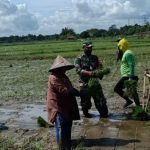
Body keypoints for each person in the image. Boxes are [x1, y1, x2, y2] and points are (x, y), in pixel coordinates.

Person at [47, 55, 80, 150]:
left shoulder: (64, 76)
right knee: (61, 128)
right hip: (57, 106)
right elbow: (64, 90)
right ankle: (61, 147)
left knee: (68, 125)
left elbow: (70, 88)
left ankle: (67, 145)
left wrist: (79, 92)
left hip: (66, 105)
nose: (65, 69)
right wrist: (78, 93)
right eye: (63, 67)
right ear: (58, 68)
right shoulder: (53, 77)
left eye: (65, 67)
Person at [74, 40, 108, 118]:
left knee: (101, 101)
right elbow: (78, 70)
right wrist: (89, 73)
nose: (90, 49)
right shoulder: (79, 58)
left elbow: (100, 67)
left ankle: (104, 115)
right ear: (84, 48)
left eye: (91, 47)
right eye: (88, 48)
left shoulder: (95, 57)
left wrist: (100, 72)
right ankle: (86, 115)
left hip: (95, 83)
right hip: (84, 84)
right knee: (85, 103)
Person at [114, 38, 140, 108]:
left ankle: (133, 103)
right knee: (133, 91)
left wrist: (130, 78)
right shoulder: (126, 52)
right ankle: (136, 105)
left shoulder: (128, 53)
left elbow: (131, 64)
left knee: (117, 88)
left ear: (122, 46)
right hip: (127, 75)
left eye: (119, 46)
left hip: (128, 76)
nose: (119, 48)